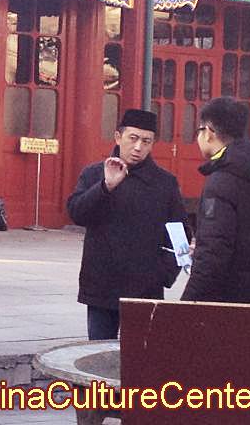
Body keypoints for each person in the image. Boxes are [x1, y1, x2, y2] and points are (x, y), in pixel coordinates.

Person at [67, 109, 186, 340]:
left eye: (146, 141)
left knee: (141, 355)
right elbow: (77, 214)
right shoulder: (94, 174)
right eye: (133, 138)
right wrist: (105, 187)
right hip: (101, 284)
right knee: (100, 353)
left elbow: (180, 234)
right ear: (118, 137)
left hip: (145, 290)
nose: (138, 147)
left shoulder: (164, 183)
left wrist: (164, 274)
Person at [182, 97, 250, 304]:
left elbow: (213, 255)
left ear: (209, 132)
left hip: (227, 298)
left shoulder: (221, 181)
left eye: (199, 131)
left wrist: (187, 302)